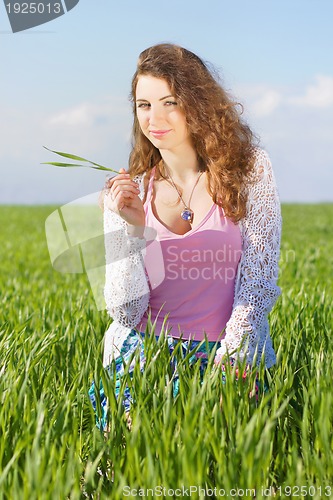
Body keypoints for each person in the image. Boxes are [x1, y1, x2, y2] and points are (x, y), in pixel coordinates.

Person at [89, 43, 281, 430]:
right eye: (143, 105)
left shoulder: (250, 172)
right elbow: (126, 312)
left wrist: (233, 359)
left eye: (169, 102)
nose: (154, 118)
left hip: (228, 355)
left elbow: (259, 279)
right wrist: (132, 228)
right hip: (143, 357)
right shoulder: (128, 192)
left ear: (197, 103)